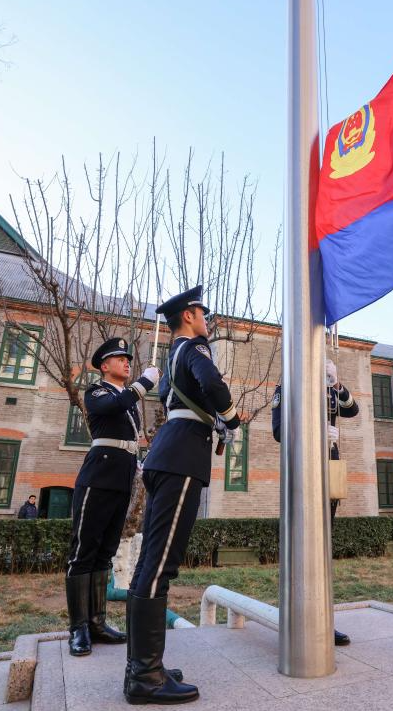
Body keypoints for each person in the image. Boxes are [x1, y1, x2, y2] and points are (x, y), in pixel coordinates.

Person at [125, 285, 240, 705]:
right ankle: (146, 677)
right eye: (202, 314)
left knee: (148, 564)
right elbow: (213, 383)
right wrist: (231, 418)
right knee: (160, 567)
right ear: (189, 316)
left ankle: (142, 665)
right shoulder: (194, 348)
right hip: (182, 457)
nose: (206, 321)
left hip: (166, 453)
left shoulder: (171, 357)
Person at [65, 338, 160, 659]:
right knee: (83, 552)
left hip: (122, 478)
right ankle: (78, 628)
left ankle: (97, 622)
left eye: (127, 359)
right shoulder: (97, 392)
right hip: (98, 477)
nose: (126, 362)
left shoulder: (126, 398)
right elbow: (111, 408)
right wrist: (144, 383)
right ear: (104, 366)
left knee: (105, 552)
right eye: (120, 358)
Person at [270, 357, 359, 646]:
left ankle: (322, 620)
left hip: (328, 466)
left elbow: (353, 409)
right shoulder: (286, 386)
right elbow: (279, 431)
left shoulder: (328, 387)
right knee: (303, 545)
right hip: (303, 468)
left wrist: (337, 382)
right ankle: (298, 619)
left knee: (323, 546)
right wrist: (316, 431)